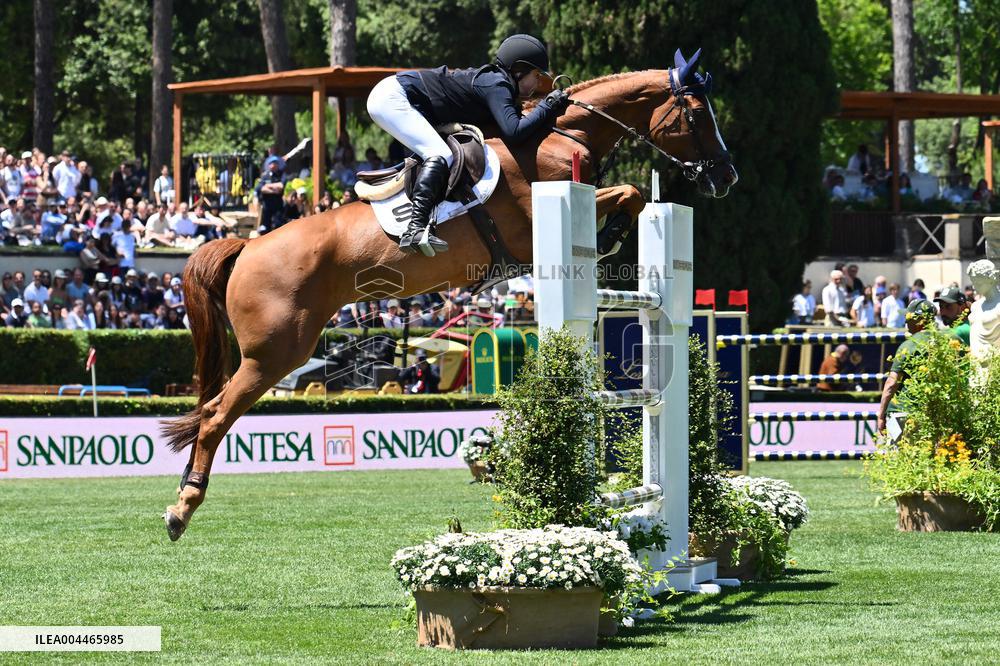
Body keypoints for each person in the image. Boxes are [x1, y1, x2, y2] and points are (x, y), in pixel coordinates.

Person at [366, 34, 568, 254]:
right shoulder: (498, 84)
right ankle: (416, 227)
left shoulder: (499, 84)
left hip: (400, 96)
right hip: (393, 97)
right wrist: (547, 105)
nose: (539, 83)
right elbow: (515, 132)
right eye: (536, 75)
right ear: (518, 70)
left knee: (439, 152)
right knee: (440, 153)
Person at [877, 300, 937, 433]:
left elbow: (892, 382)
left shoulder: (909, 345)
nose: (905, 321)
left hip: (903, 410)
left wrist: (881, 414)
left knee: (897, 452)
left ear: (919, 320)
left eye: (908, 317)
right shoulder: (943, 342)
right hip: (931, 413)